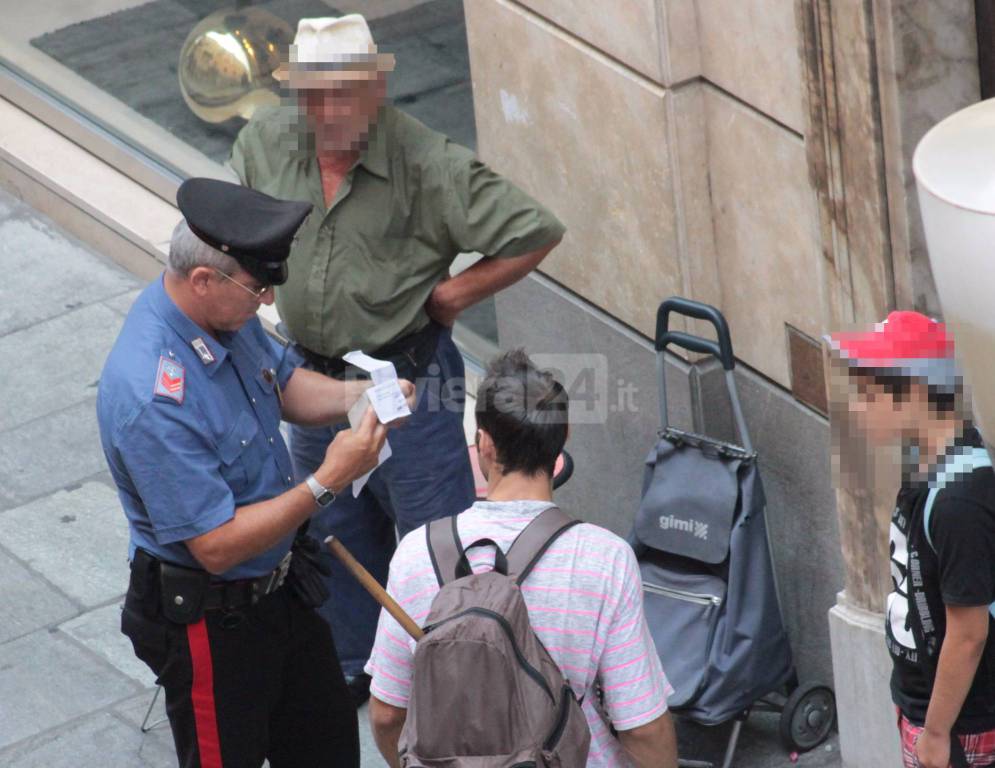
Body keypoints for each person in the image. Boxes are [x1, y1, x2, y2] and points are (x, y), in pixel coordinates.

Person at [230, 13, 567, 703]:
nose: (328, 111)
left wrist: (453, 293)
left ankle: (447, 674)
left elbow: (535, 230)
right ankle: (353, 666)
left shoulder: (427, 162)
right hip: (309, 375)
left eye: (343, 93)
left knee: (429, 534)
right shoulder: (265, 141)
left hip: (406, 377)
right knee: (328, 523)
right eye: (313, 95)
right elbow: (239, 217)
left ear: (374, 89)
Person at [96, 177, 414, 767]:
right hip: (213, 623)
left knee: (327, 745)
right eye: (258, 287)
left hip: (281, 589)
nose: (267, 300)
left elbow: (284, 382)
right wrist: (325, 482)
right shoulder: (153, 397)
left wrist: (362, 396)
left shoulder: (221, 317)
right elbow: (215, 545)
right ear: (201, 280)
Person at [365, 350, 678, 768]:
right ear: (563, 438)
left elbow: (388, 713)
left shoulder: (416, 553)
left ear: (484, 444)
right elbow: (641, 726)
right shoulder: (604, 559)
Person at [830, 311, 995, 768]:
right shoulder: (925, 464)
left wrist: (937, 731)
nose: (856, 408)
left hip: (962, 726)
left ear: (918, 394)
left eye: (868, 394)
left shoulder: (960, 501)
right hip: (926, 708)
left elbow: (968, 634)